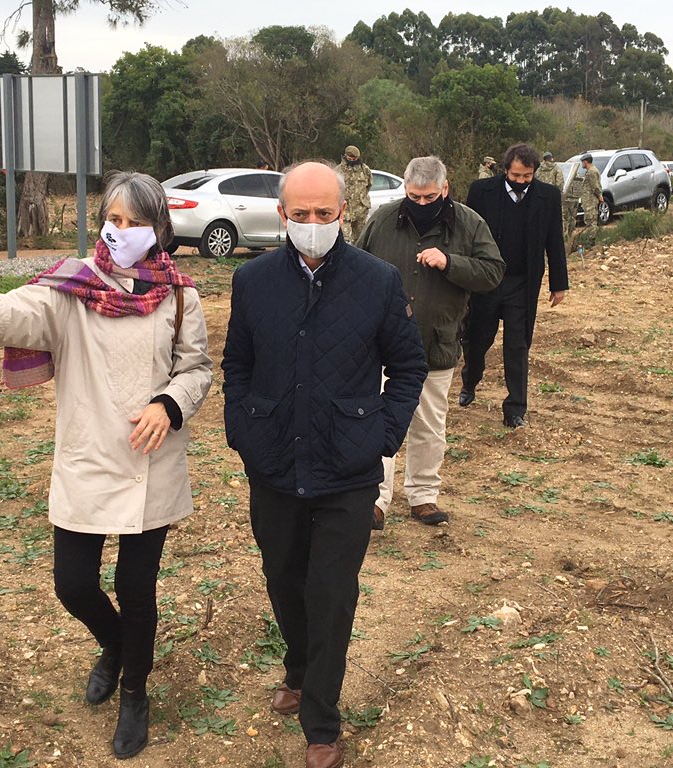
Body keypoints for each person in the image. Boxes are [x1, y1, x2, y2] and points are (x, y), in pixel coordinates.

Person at [0, 171, 212, 761]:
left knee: (136, 588)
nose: (119, 230)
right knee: (73, 584)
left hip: (149, 461)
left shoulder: (181, 295)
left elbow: (197, 369)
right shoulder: (73, 285)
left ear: (159, 229)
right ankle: (116, 647)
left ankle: (135, 693)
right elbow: (20, 312)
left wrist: (169, 403)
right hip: (86, 454)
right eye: (113, 218)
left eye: (133, 222)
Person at [222, 161, 426, 768]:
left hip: (348, 467)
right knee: (283, 576)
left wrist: (383, 437)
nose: (313, 224)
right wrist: (244, 431)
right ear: (282, 214)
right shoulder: (252, 280)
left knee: (331, 592)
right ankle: (298, 666)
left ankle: (322, 721)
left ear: (345, 213)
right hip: (275, 462)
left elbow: (409, 366)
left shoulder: (379, 281)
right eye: (301, 214)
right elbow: (237, 363)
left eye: (325, 214)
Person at [356, 156, 503, 528]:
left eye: (429, 198)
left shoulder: (470, 223)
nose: (421, 204)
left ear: (445, 189)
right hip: (382, 345)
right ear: (405, 190)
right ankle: (375, 499)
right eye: (414, 197)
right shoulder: (382, 219)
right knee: (376, 420)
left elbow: (493, 271)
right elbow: (352, 266)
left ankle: (423, 495)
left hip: (436, 343)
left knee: (430, 423)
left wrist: (451, 262)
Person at [461, 143, 568, 429]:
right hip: (486, 280)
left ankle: (515, 409)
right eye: (516, 175)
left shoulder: (548, 196)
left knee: (517, 346)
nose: (521, 181)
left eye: (527, 177)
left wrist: (559, 284)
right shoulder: (481, 192)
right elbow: (465, 235)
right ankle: (470, 381)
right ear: (506, 169)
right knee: (477, 339)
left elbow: (554, 241)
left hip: (523, 283)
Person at [334, 145, 372, 243]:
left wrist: (362, 199)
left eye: (354, 158)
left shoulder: (364, 170)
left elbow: (369, 185)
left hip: (360, 210)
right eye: (350, 158)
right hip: (345, 211)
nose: (352, 160)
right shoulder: (338, 171)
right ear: (345, 156)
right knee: (344, 239)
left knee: (361, 239)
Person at [578, 153, 603, 248]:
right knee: (589, 219)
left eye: (582, 162)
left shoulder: (592, 172)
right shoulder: (590, 171)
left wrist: (599, 196)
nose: (582, 164)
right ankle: (590, 240)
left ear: (585, 162)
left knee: (591, 220)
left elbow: (595, 186)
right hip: (588, 200)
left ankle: (591, 241)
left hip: (590, 201)